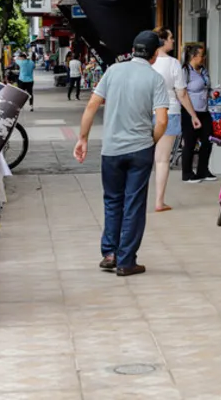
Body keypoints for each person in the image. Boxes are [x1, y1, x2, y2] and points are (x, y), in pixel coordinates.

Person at [74, 31, 169, 277]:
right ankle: (127, 261)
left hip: (111, 150)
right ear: (155, 54)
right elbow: (161, 121)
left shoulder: (113, 71)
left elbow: (92, 105)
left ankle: (110, 254)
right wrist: (151, 141)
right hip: (140, 150)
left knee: (113, 201)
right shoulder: (155, 78)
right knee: (134, 205)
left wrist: (82, 138)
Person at [150, 28, 201, 212]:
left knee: (142, 157)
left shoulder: (145, 62)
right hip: (169, 111)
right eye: (171, 38)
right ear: (163, 40)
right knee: (162, 160)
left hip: (145, 112)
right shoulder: (173, 64)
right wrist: (194, 115)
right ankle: (159, 201)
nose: (173, 41)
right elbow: (182, 93)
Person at [180, 44, 216, 182]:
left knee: (208, 140)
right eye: (201, 55)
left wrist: (212, 93)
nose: (204, 58)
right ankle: (187, 173)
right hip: (190, 111)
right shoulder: (185, 72)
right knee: (190, 142)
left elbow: (207, 88)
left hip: (204, 110)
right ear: (193, 56)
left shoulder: (204, 71)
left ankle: (203, 170)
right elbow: (181, 92)